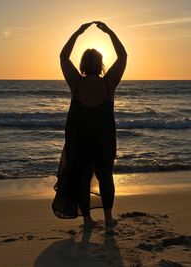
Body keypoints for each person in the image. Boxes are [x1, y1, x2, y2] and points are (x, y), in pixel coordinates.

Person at [52, 21, 127, 228]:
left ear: (82, 64)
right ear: (101, 63)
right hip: (104, 139)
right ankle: (109, 218)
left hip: (79, 140)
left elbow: (63, 57)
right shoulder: (108, 84)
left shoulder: (75, 83)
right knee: (106, 178)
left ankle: (87, 220)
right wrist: (110, 32)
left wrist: (77, 33)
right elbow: (123, 56)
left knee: (83, 180)